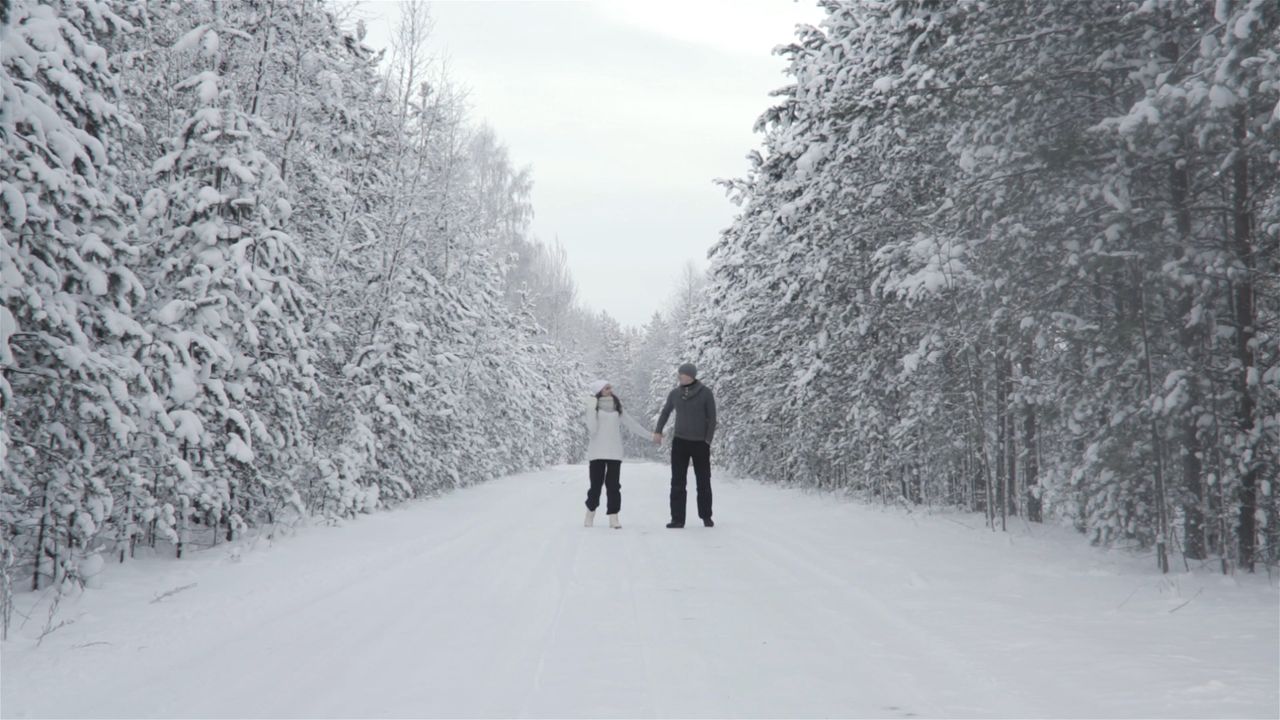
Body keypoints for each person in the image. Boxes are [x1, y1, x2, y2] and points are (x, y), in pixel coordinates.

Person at [652, 363, 717, 528]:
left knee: (703, 481)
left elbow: (712, 418)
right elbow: (666, 412)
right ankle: (677, 519)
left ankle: (706, 516)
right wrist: (658, 431)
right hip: (680, 441)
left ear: (691, 375)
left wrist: (707, 440)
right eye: (679, 374)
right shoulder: (675, 394)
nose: (680, 376)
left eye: (683, 374)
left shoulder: (705, 393)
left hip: (700, 443)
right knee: (677, 482)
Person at [583, 380, 651, 529]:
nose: (610, 390)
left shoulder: (617, 407)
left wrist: (651, 436)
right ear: (599, 391)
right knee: (595, 486)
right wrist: (590, 409)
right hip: (597, 453)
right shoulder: (593, 407)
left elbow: (632, 424)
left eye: (610, 387)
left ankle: (614, 517)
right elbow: (592, 429)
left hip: (614, 452)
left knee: (614, 486)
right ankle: (590, 514)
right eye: (607, 388)